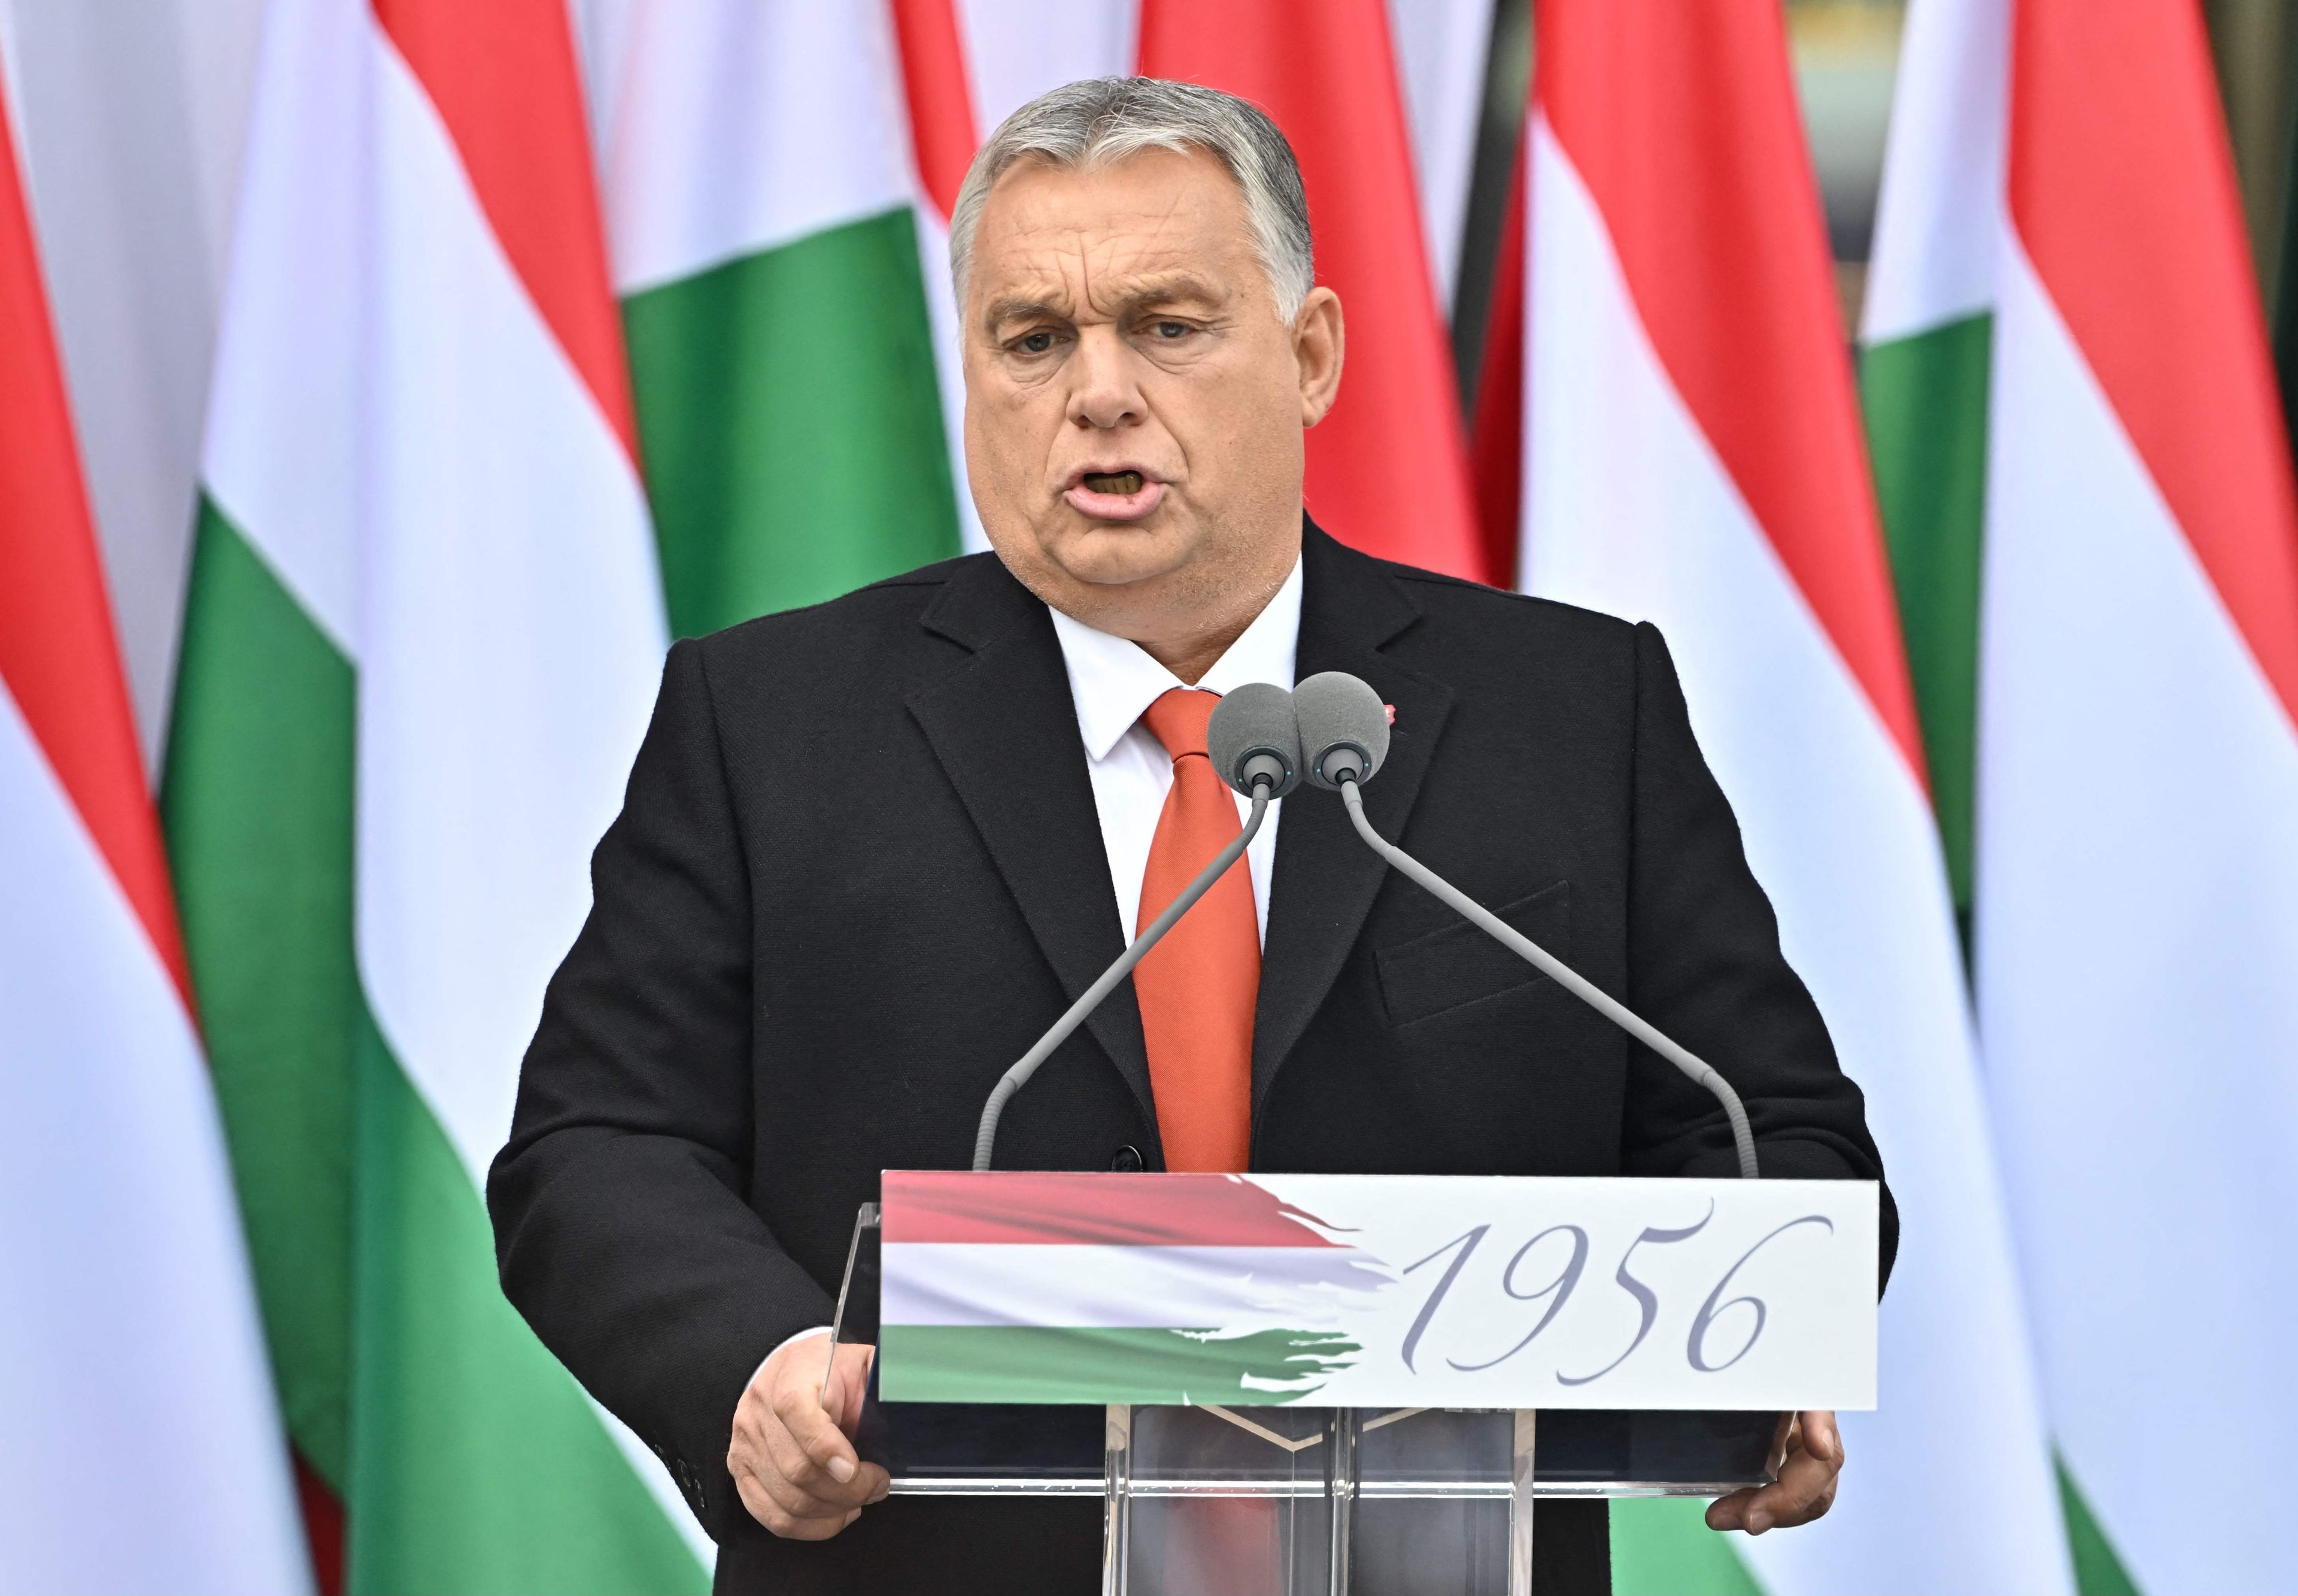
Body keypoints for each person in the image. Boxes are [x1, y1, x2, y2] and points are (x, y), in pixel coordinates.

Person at [489, 76, 1893, 1595]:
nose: (1096, 392)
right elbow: (597, 1143)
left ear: (1309, 355)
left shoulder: (1567, 709)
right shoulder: (770, 721)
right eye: (1032, 339)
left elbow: (1766, 1131)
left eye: (1165, 325)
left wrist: (1761, 1343)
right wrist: (756, 1366)